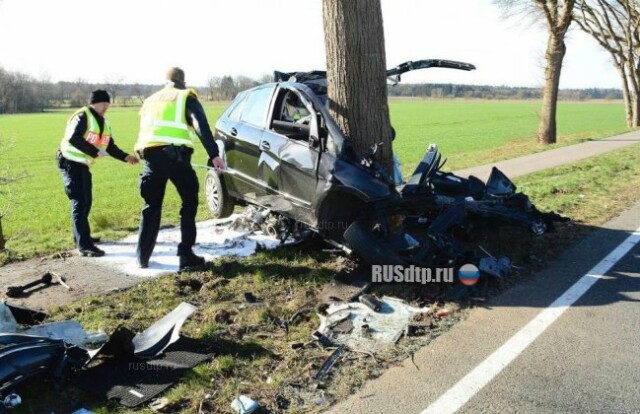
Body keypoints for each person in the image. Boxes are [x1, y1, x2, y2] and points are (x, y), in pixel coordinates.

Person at [135, 67, 225, 270]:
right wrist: (214, 155)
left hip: (150, 157)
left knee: (151, 207)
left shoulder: (150, 101)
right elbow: (200, 124)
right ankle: (186, 254)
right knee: (189, 201)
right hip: (176, 158)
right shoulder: (185, 96)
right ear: (183, 81)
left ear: (165, 80)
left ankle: (142, 257)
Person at [56, 90, 139, 257]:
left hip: (82, 165)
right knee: (79, 202)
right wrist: (94, 151)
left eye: (107, 104)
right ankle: (84, 245)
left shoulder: (104, 122)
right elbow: (74, 138)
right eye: (104, 104)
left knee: (86, 201)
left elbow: (109, 146)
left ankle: (81, 237)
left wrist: (126, 157)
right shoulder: (82, 116)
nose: (106, 107)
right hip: (70, 162)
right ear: (96, 102)